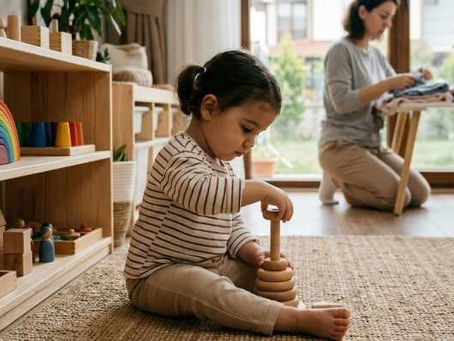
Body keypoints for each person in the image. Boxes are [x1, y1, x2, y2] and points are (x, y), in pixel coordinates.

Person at [124, 50, 350, 339]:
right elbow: (201, 196)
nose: (250, 144)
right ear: (209, 108)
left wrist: (253, 253)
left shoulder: (223, 165)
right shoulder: (176, 155)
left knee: (265, 275)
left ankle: (295, 306)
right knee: (207, 290)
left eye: (257, 135)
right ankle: (293, 320)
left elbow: (231, 225)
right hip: (155, 274)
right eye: (247, 129)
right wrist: (259, 188)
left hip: (210, 264)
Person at [318, 0, 431, 210]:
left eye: (391, 18)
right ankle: (337, 179)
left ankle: (346, 177)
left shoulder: (375, 54)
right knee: (400, 198)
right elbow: (341, 102)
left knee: (420, 193)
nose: (388, 24)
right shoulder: (340, 51)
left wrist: (416, 77)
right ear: (362, 12)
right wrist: (388, 83)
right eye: (383, 16)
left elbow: (395, 88)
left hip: (372, 145)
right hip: (339, 145)